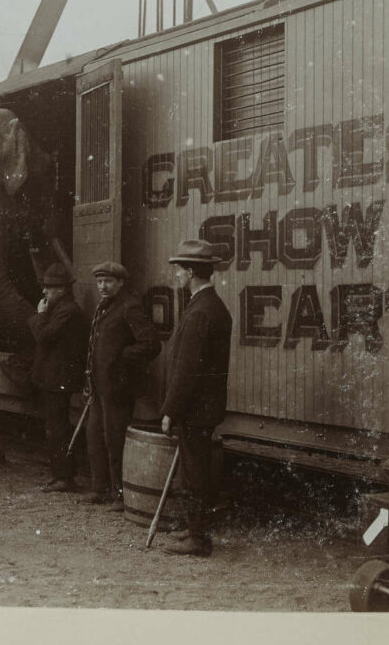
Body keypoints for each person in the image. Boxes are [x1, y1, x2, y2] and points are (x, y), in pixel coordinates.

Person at [159, 239, 232, 557]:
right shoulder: (211, 306)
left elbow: (186, 370)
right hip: (204, 406)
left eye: (178, 270)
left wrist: (170, 410)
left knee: (193, 473)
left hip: (194, 408)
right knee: (194, 469)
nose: (176, 275)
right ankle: (194, 528)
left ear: (190, 272)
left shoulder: (200, 311)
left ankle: (198, 538)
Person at [82, 261, 161, 512]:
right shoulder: (105, 306)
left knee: (115, 441)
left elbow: (151, 344)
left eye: (108, 282)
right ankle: (99, 488)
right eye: (99, 282)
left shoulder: (130, 306)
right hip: (99, 387)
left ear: (120, 283)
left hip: (117, 388)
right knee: (94, 436)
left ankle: (120, 495)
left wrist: (121, 358)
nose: (102, 286)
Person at [27, 263, 87, 493]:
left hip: (57, 379)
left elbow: (44, 336)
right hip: (53, 378)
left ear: (62, 289)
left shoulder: (67, 311)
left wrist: (39, 315)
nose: (44, 291)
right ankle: (60, 474)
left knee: (57, 428)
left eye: (49, 288)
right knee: (55, 427)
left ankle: (64, 477)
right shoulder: (61, 308)